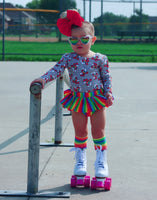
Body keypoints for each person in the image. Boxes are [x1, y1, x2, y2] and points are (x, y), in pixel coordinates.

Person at [31, 9, 113, 184]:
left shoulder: (100, 58)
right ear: (69, 40)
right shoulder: (68, 58)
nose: (79, 42)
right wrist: (42, 79)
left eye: (84, 39)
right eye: (73, 39)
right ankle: (80, 161)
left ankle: (101, 162)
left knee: (98, 131)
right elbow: (55, 70)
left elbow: (106, 77)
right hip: (77, 100)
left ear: (93, 40)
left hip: (97, 99)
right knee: (80, 131)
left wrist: (109, 94)